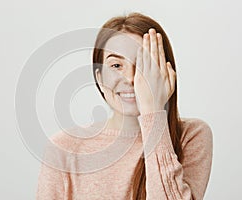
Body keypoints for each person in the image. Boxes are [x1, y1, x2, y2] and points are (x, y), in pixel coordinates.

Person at [36, 12, 213, 200]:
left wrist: (152, 110)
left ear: (165, 73)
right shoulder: (63, 147)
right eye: (116, 66)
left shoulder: (192, 135)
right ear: (99, 77)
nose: (130, 78)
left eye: (144, 66)